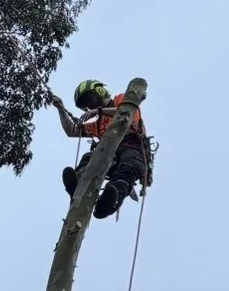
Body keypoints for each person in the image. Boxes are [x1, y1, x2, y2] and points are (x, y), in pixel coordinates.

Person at [47, 79, 151, 220]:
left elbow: (126, 113)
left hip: (133, 148)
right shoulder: (96, 123)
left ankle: (111, 200)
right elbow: (72, 131)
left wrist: (99, 111)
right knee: (88, 158)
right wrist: (61, 109)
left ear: (100, 92)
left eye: (90, 99)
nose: (89, 106)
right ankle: (78, 182)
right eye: (85, 105)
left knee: (128, 169)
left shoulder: (121, 100)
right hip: (108, 153)